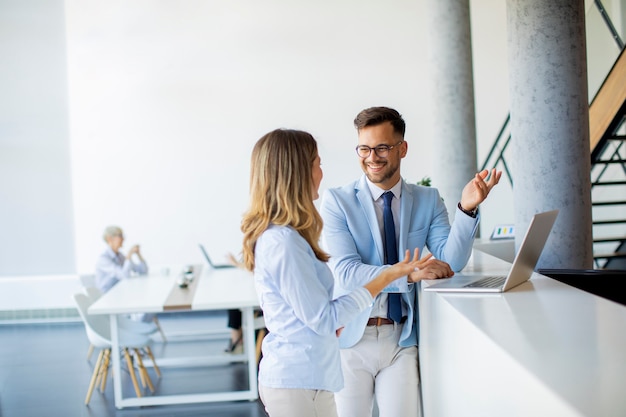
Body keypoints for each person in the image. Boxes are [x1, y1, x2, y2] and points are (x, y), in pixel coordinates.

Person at [319, 106, 502, 417]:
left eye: (381, 148)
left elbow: (450, 260)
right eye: (364, 148)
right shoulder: (338, 201)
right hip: (351, 339)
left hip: (400, 339)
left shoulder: (427, 200)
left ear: (402, 148)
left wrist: (467, 208)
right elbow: (347, 273)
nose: (372, 157)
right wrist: (410, 273)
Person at [240, 128, 430, 417]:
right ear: (298, 172)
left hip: (310, 380)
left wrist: (329, 322)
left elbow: (313, 313)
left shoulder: (289, 237)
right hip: (298, 383)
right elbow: (323, 318)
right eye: (317, 163)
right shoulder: (283, 243)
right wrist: (386, 277)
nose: (321, 172)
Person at [95, 225, 153, 323]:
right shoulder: (103, 259)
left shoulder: (120, 256)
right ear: (110, 238)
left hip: (121, 295)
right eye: (120, 235)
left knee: (149, 304)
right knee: (143, 306)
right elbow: (124, 275)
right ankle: (136, 326)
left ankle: (139, 326)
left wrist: (138, 254)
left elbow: (143, 271)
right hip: (109, 298)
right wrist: (129, 256)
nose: (123, 238)